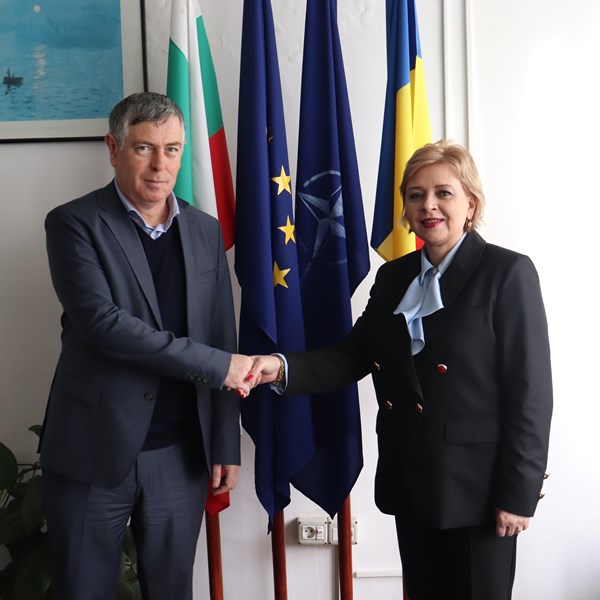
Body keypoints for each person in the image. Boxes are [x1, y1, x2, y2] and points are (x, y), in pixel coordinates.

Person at [248, 140, 553, 600]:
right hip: (411, 480)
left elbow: (531, 392)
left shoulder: (507, 272)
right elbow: (352, 355)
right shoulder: (393, 277)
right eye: (415, 195)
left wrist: (519, 492)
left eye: (443, 193)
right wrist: (278, 367)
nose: (428, 205)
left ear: (470, 204)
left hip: (480, 490)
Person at [40, 92, 253, 600]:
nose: (161, 165)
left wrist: (224, 441)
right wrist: (219, 366)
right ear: (113, 148)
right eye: (144, 148)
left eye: (172, 149)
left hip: (180, 455)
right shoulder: (73, 224)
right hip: (93, 449)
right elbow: (104, 326)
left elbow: (220, 333)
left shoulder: (204, 230)